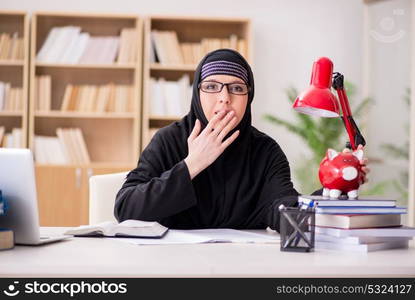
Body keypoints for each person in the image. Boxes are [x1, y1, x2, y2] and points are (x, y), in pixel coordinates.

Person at [114, 49, 369, 231]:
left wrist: (334, 189)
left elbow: (284, 210)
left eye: (236, 88)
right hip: (171, 268)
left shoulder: (265, 151)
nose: (224, 98)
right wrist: (192, 164)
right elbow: (125, 208)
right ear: (197, 93)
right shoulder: (169, 140)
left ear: (249, 97)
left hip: (244, 268)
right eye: (212, 87)